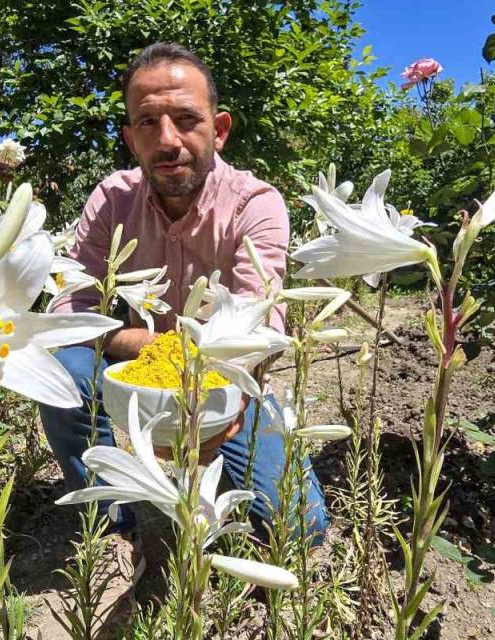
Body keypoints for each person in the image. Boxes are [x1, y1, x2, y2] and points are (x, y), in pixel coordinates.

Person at [43, 42, 327, 542]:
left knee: (300, 528)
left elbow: (260, 325)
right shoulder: (112, 200)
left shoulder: (254, 205)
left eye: (186, 118)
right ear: (132, 139)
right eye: (149, 123)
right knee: (64, 371)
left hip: (223, 381)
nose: (168, 140)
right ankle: (110, 523)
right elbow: (72, 310)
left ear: (218, 130)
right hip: (133, 373)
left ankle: (212, 489)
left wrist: (225, 407)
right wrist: (151, 348)